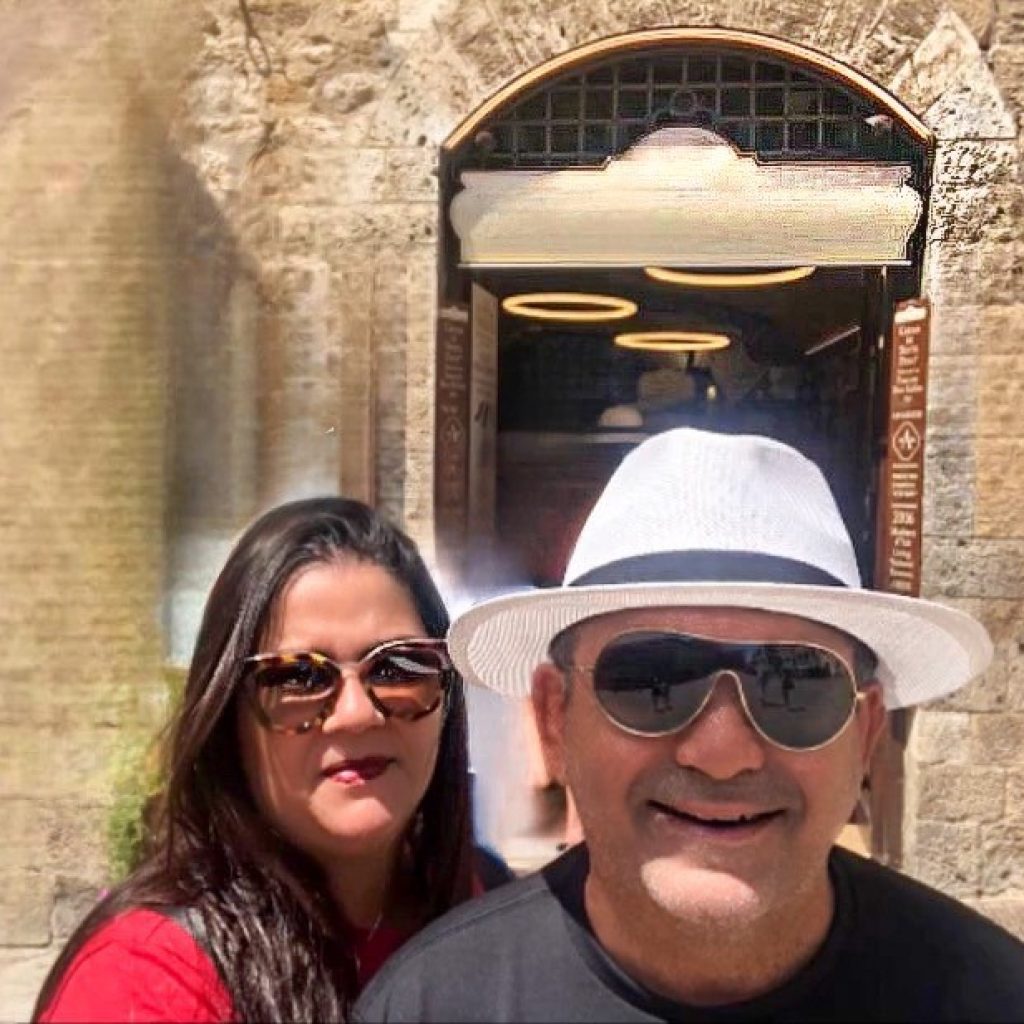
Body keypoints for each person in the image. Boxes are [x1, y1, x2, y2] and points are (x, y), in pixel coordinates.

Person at [356, 428, 1024, 1022]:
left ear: (866, 733)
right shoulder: (431, 1005)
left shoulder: (994, 997)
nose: (721, 752)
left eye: (795, 682)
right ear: (555, 719)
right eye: (652, 679)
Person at [35, 496, 510, 1023]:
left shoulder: (492, 909)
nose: (356, 714)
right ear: (228, 718)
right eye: (298, 677)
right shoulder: (147, 980)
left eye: (397, 667)